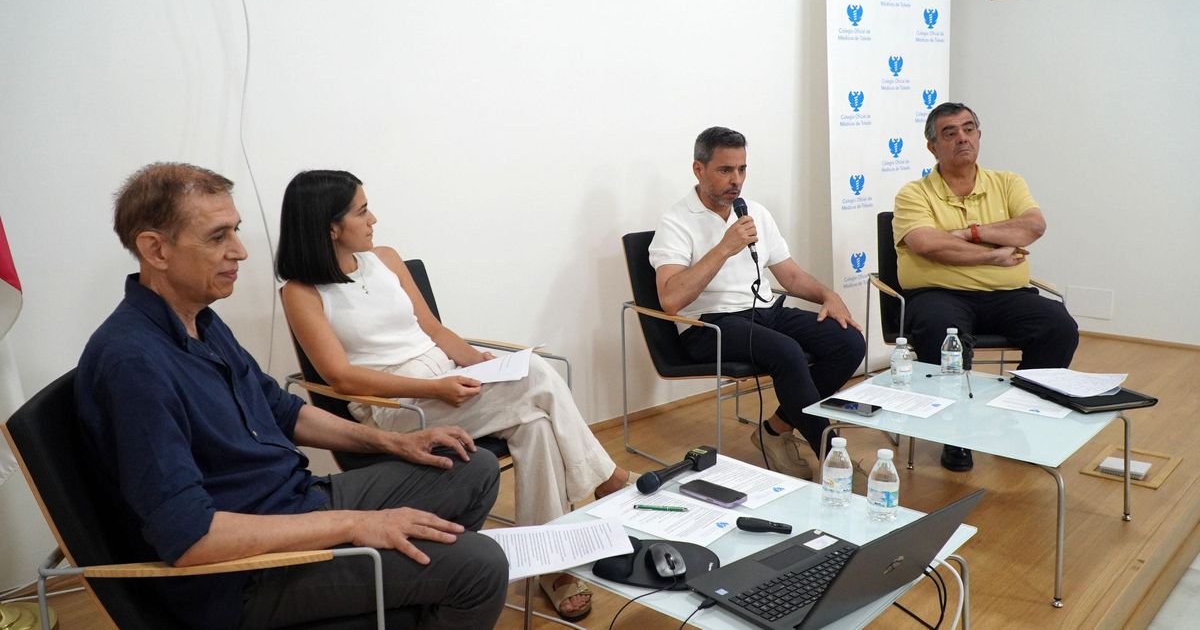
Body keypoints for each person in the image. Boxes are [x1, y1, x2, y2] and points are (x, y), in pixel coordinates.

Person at [76, 163, 508, 630]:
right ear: (155, 249)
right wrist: (354, 525)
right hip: (247, 574)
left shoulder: (201, 321)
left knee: (472, 465)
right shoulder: (133, 364)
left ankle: (412, 598)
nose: (240, 252)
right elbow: (192, 537)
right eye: (218, 236)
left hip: (297, 501)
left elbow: (283, 411)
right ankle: (427, 588)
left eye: (236, 231)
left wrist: (394, 443)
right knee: (479, 566)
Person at [275, 169, 634, 622]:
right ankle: (607, 480)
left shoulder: (385, 257)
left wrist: (472, 360)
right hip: (397, 408)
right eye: (362, 211)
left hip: (443, 380)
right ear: (330, 226)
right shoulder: (301, 292)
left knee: (536, 424)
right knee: (538, 374)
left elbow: (431, 328)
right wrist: (432, 388)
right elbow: (341, 377)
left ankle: (549, 564)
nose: (374, 219)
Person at [648, 127, 866, 480]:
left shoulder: (755, 213)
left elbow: (790, 276)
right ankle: (833, 460)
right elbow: (671, 299)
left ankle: (776, 429)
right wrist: (723, 247)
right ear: (698, 169)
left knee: (848, 341)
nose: (736, 180)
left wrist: (830, 295)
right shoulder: (675, 222)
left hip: (766, 311)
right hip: (710, 326)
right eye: (725, 170)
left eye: (742, 169)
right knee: (787, 352)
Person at [893, 102, 1079, 471]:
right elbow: (927, 244)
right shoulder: (913, 193)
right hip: (937, 295)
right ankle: (955, 432)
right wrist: (991, 254)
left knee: (1058, 326)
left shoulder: (1008, 182)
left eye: (969, 129)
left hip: (1005, 296)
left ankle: (1023, 416)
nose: (962, 138)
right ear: (932, 146)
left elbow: (1033, 227)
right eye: (950, 132)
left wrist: (970, 232)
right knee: (941, 332)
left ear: (979, 135)